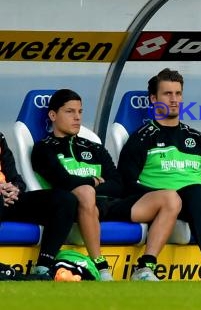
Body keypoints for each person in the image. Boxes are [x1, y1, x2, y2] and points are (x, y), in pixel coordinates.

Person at [31, 89, 182, 281]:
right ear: (53, 115)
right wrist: (92, 182)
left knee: (171, 198)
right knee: (85, 192)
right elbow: (64, 182)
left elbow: (118, 184)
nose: (77, 118)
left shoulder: (93, 147)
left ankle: (145, 267)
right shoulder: (43, 148)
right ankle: (101, 267)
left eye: (80, 112)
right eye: (70, 112)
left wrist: (93, 186)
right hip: (77, 208)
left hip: (109, 204)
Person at [118, 68, 201, 281]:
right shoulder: (141, 138)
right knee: (195, 191)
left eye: (178, 94)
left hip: (199, 204)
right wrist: (162, 196)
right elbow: (125, 183)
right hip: (169, 204)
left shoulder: (196, 138)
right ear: (154, 99)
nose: (174, 99)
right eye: (167, 94)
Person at [1, 131, 77, 280]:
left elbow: (16, 179)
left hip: (8, 200)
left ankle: (43, 268)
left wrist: (15, 188)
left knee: (65, 199)